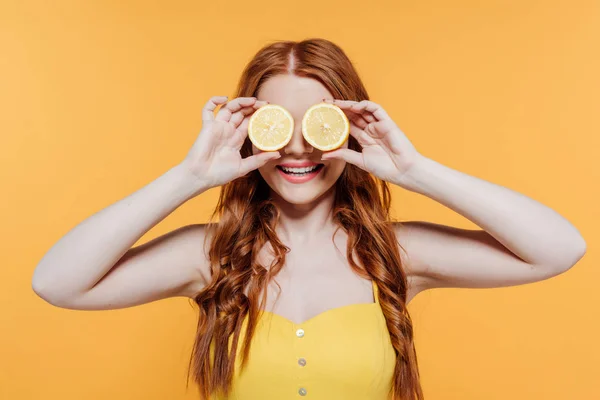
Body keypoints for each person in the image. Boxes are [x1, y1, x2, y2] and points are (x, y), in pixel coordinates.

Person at [31, 38, 587, 400]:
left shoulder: (393, 256)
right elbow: (56, 282)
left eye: (319, 124)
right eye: (277, 125)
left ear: (349, 128)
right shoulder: (211, 256)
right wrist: (189, 177)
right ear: (249, 132)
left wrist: (415, 170)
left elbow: (559, 248)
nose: (298, 149)